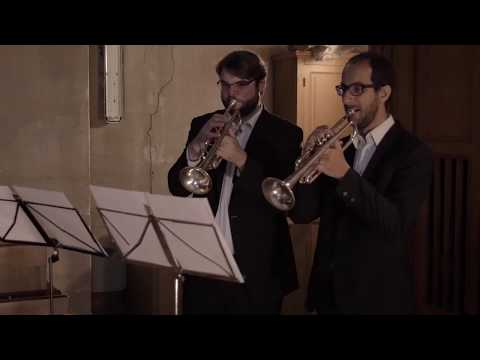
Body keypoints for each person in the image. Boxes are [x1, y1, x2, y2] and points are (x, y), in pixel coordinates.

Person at [289, 51, 433, 314]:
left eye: (357, 89)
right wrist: (307, 158)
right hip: (328, 296)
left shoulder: (413, 152)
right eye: (343, 88)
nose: (345, 98)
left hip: (376, 298)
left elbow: (395, 223)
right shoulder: (342, 146)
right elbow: (302, 213)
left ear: (384, 93)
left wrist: (345, 175)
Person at [168, 50, 303, 314]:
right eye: (225, 85)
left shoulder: (285, 134)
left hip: (257, 271)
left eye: (241, 84)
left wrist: (242, 160)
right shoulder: (202, 123)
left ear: (261, 85)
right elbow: (177, 186)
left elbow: (284, 201)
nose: (231, 94)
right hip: (205, 265)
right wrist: (195, 148)